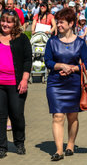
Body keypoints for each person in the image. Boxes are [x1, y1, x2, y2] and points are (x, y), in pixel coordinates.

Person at [44, 8, 87, 161]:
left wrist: (72, 69)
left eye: (62, 22)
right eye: (57, 22)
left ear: (71, 23)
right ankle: (59, 150)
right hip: (55, 83)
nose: (58, 25)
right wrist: (60, 66)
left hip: (74, 83)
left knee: (72, 116)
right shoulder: (52, 41)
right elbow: (48, 61)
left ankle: (70, 144)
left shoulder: (80, 42)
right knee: (57, 116)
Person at [0, 10, 32, 158]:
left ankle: (19, 142)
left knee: (17, 114)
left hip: (16, 83)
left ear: (15, 24)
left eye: (9, 21)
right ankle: (2, 146)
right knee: (0, 116)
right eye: (3, 20)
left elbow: (27, 60)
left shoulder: (22, 39)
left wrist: (25, 79)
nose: (5, 24)